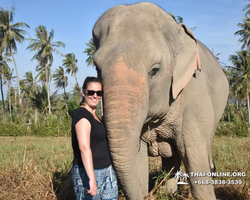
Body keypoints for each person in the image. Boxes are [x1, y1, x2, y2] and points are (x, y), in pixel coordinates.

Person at [71, 76, 118, 200]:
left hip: (106, 170)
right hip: (89, 173)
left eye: (99, 93)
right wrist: (91, 179)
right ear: (83, 93)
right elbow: (84, 148)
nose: (95, 96)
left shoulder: (94, 115)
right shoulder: (82, 115)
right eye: (91, 92)